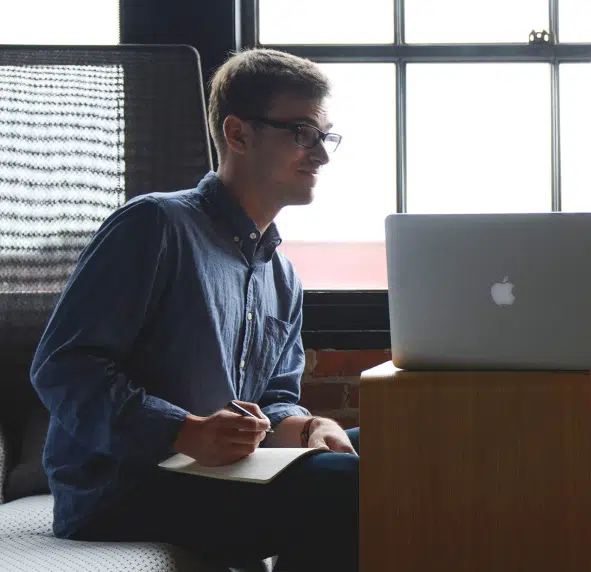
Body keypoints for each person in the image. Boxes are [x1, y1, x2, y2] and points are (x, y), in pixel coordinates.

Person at [30, 48, 359, 571]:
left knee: (387, 451)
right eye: (302, 132)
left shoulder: (282, 275)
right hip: (126, 486)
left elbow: (275, 397)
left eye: (325, 136)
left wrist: (304, 424)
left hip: (222, 471)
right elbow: (63, 367)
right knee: (353, 487)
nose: (321, 154)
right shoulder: (154, 226)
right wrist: (182, 430)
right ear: (238, 134)